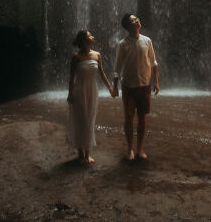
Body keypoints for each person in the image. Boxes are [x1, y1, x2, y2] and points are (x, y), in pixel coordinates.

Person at [113, 13, 159, 160]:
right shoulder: (122, 44)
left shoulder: (147, 41)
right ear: (128, 26)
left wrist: (156, 81)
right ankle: (129, 149)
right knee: (128, 116)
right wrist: (115, 86)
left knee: (142, 118)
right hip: (128, 86)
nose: (137, 21)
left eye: (137, 19)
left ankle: (140, 149)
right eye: (133, 21)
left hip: (145, 85)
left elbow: (154, 62)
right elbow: (117, 67)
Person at [67, 30, 116, 164]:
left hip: (92, 90)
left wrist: (110, 88)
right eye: (90, 35)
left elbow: (102, 74)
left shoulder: (97, 55)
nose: (93, 37)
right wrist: (70, 94)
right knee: (81, 120)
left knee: (90, 120)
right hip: (79, 90)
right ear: (84, 40)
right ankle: (80, 152)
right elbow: (72, 78)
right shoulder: (76, 57)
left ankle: (87, 154)